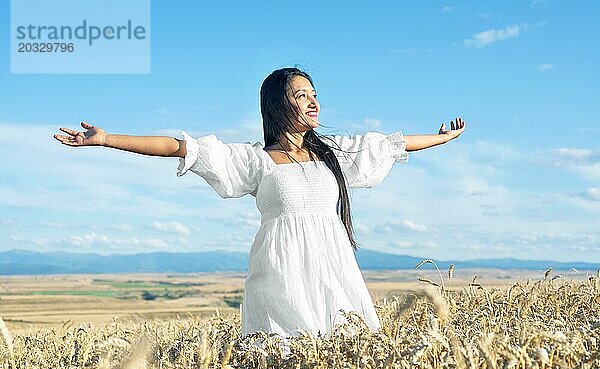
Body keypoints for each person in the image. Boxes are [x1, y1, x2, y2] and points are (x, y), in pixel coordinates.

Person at [53, 67, 466, 350]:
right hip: (281, 272)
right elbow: (181, 148)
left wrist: (441, 139)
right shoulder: (255, 160)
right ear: (278, 105)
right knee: (286, 356)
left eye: (315, 95)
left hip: (334, 268)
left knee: (347, 350)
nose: (314, 103)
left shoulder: (335, 156)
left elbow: (391, 145)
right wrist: (107, 139)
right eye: (301, 95)